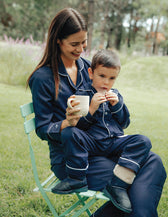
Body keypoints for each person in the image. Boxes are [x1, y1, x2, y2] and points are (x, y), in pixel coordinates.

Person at [27, 8, 166, 217]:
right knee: (135, 180)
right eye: (75, 44)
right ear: (58, 40)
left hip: (103, 146)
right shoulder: (43, 78)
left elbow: (116, 110)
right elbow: (42, 129)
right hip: (74, 158)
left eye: (84, 42)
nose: (81, 49)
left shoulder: (86, 67)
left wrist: (115, 104)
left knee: (153, 162)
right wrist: (66, 123)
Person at [51, 49, 152, 213]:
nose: (106, 82)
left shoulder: (116, 95)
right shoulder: (82, 94)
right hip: (92, 143)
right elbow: (78, 126)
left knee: (143, 141)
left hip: (113, 142)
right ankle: (77, 179)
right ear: (91, 73)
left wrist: (117, 105)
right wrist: (91, 108)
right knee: (69, 133)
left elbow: (125, 122)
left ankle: (118, 184)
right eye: (102, 76)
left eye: (112, 78)